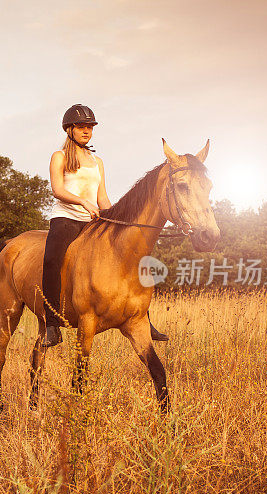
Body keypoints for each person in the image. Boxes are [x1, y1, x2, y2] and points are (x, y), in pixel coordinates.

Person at [41, 104, 168, 347]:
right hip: (66, 218)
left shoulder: (96, 161)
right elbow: (57, 190)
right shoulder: (59, 157)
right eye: (81, 126)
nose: (86, 131)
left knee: (129, 256)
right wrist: (82, 202)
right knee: (51, 260)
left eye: (90, 126)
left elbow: (102, 198)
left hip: (92, 221)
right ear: (69, 129)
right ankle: (52, 325)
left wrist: (113, 216)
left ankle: (144, 319)